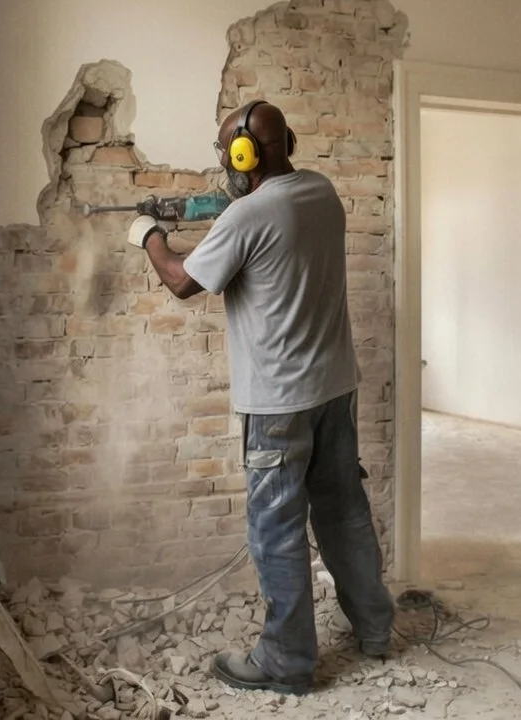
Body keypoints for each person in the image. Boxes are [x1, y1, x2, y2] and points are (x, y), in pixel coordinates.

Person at [125, 99, 394, 695]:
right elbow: (274, 238)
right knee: (344, 510)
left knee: (276, 531)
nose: (226, 164)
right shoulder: (321, 193)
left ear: (246, 156)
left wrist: (149, 235)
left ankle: (287, 662)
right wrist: (227, 212)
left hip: (278, 404)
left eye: (228, 154)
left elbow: (183, 281)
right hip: (335, 388)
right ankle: (375, 629)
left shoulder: (244, 219)